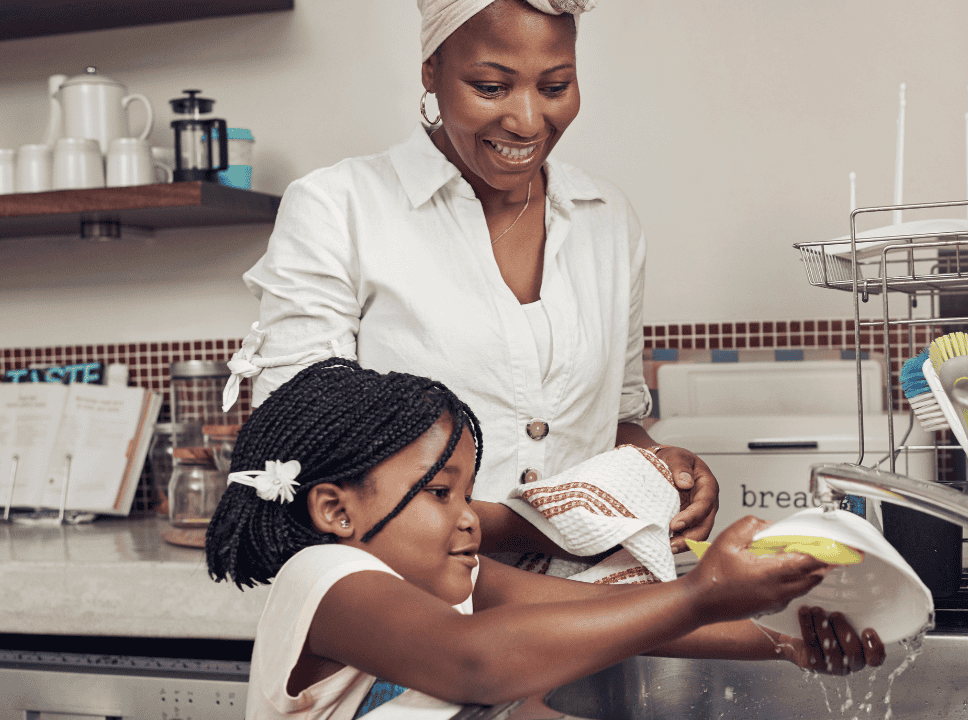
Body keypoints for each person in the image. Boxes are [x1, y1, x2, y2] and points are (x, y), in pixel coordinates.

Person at [226, 0, 717, 561]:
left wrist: (663, 469)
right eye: (490, 86)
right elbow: (302, 457)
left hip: (592, 617)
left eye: (556, 87)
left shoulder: (606, 219)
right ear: (431, 69)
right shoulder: (339, 210)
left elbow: (616, 424)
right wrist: (547, 528)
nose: (528, 121)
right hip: (415, 620)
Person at [205, 359, 884, 719]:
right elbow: (472, 663)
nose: (470, 517)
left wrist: (788, 645)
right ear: (335, 510)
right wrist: (704, 594)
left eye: (467, 493)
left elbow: (608, 619)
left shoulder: (456, 580)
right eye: (440, 494)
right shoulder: (324, 579)